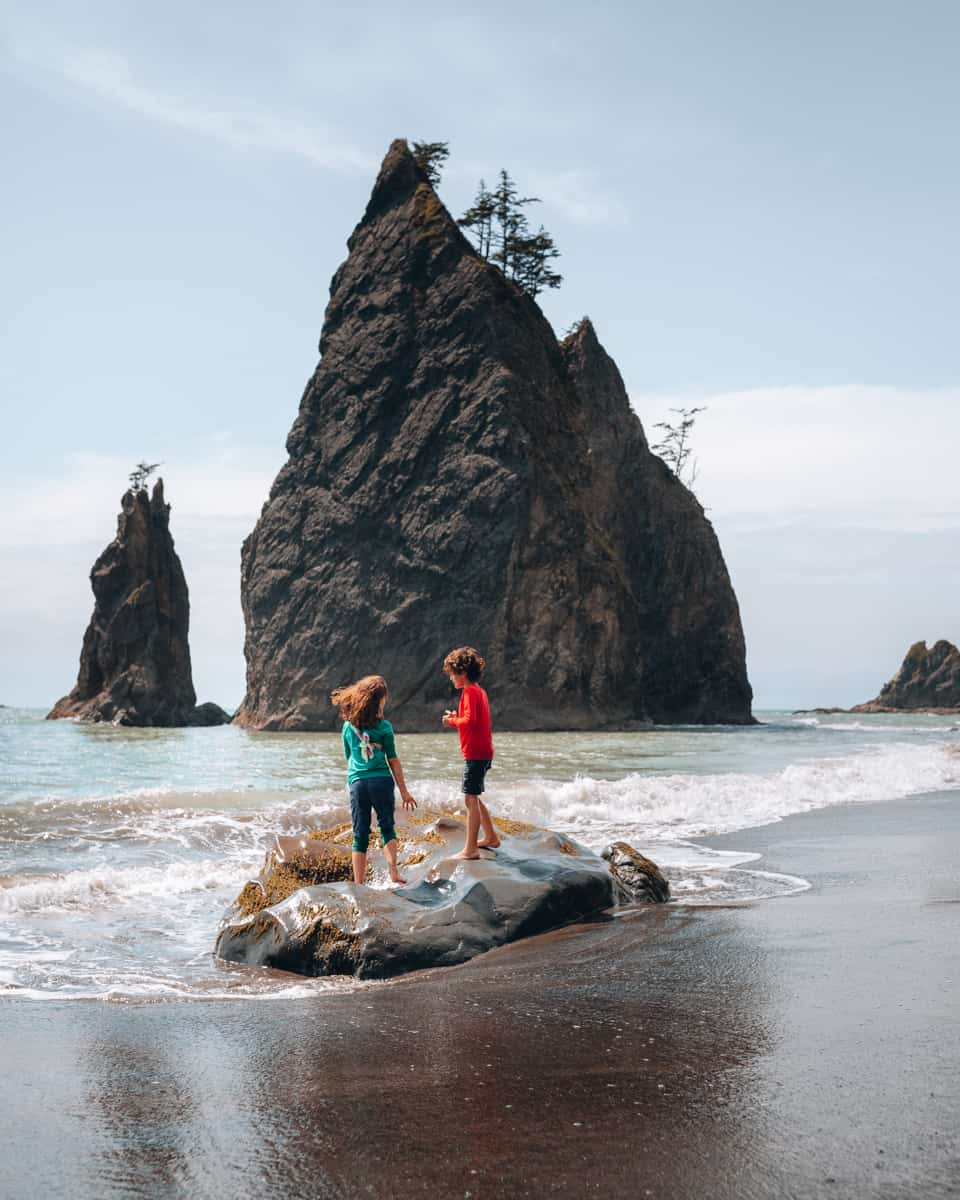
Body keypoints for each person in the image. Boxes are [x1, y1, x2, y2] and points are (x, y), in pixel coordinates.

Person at [331, 674, 417, 885]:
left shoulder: (348, 727)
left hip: (358, 783)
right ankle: (394, 873)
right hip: (382, 782)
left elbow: (348, 756)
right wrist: (404, 791)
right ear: (379, 700)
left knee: (359, 835)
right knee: (387, 828)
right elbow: (393, 760)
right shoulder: (384, 727)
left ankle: (359, 884)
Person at [441, 646, 498, 860]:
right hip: (482, 751)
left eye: (452, 674)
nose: (451, 679)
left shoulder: (469, 692)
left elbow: (470, 721)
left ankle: (471, 849)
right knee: (473, 795)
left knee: (470, 798)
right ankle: (491, 837)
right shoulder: (478, 691)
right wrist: (459, 716)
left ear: (462, 673)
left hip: (476, 753)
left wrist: (451, 721)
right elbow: (472, 719)